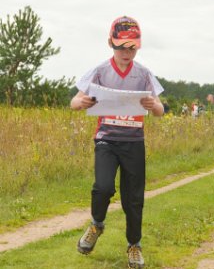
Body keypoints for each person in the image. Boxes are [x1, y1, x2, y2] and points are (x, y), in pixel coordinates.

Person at [70, 16, 164, 269]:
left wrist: (153, 105)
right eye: (121, 46)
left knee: (133, 199)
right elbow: (75, 102)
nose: (126, 52)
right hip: (107, 140)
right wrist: (84, 102)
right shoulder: (100, 71)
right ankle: (96, 224)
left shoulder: (143, 74)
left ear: (138, 46)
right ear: (111, 44)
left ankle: (134, 245)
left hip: (134, 141)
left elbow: (160, 109)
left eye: (132, 47)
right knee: (103, 187)